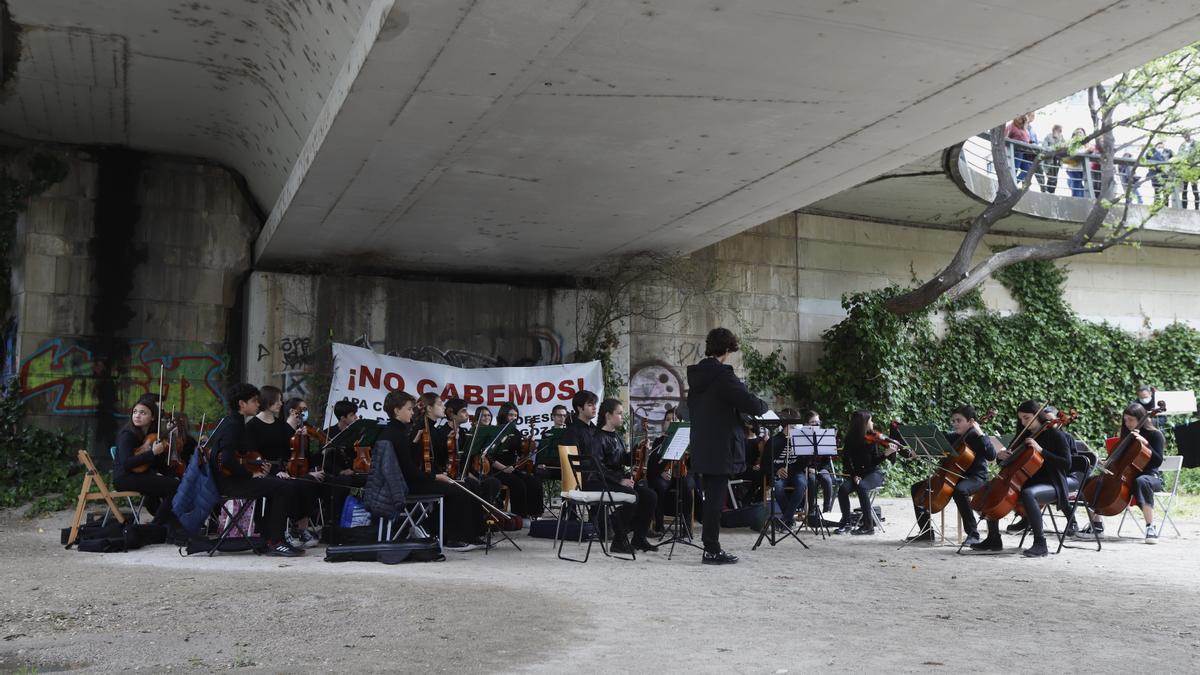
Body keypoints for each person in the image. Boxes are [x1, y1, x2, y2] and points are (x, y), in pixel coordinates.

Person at [686, 327, 768, 565]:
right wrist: (763, 407)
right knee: (715, 500)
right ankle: (711, 550)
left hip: (702, 444)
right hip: (721, 447)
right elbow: (750, 402)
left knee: (711, 498)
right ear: (726, 350)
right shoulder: (722, 375)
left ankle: (710, 547)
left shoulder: (698, 376)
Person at [377, 390, 486, 551]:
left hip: (413, 479)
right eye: (409, 409)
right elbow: (408, 469)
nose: (412, 412)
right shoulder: (400, 433)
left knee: (469, 485)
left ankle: (471, 534)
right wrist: (435, 477)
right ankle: (451, 538)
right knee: (458, 490)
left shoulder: (405, 431)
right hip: (404, 485)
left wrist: (415, 445)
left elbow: (412, 461)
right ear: (396, 411)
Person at [207, 383, 305, 557]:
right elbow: (227, 460)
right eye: (253, 401)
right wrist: (251, 473)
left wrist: (256, 465)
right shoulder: (234, 426)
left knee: (279, 485)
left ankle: (268, 537)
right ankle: (275, 540)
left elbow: (239, 456)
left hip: (232, 480)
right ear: (241, 404)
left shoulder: (233, 421)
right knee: (284, 487)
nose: (258, 404)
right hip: (230, 484)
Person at [971, 400, 1072, 557]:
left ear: (1038, 415)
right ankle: (993, 539)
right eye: (1021, 419)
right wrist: (1000, 456)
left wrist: (1041, 450)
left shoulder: (1055, 434)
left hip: (1051, 481)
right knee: (993, 489)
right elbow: (1007, 460)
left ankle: (1040, 543)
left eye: (1026, 418)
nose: (1023, 422)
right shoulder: (1024, 434)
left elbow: (1066, 464)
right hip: (1027, 479)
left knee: (1028, 493)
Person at [906, 405, 997, 545]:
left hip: (976, 477)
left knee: (960, 490)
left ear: (971, 421)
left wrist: (981, 433)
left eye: (958, 420)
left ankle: (973, 534)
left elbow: (991, 455)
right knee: (916, 488)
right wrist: (919, 450)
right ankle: (926, 532)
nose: (955, 423)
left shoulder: (978, 437)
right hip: (953, 475)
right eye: (953, 421)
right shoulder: (954, 437)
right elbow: (935, 445)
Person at [245, 385, 322, 548]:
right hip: (262, 471)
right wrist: (275, 471)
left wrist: (300, 439)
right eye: (278, 400)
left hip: (281, 470)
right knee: (289, 485)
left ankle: (297, 528)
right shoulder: (252, 426)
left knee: (306, 481)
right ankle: (278, 533)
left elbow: (289, 453)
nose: (281, 403)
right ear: (268, 402)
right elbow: (253, 455)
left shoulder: (280, 425)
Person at [1076, 403, 1165, 542]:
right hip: (1126, 476)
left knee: (1141, 481)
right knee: (1089, 482)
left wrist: (1146, 444)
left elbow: (1158, 461)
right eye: (1125, 420)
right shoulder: (1127, 436)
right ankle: (1096, 525)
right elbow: (1121, 462)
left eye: (1131, 420)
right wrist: (1107, 463)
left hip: (1150, 476)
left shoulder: (1155, 435)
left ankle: (1150, 527)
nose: (1127, 423)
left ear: (1141, 418)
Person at [588, 398, 658, 553]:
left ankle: (639, 539)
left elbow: (623, 459)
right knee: (632, 496)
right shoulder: (597, 438)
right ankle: (618, 541)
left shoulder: (616, 436)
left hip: (614, 479)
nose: (622, 416)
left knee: (650, 496)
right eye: (619, 413)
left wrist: (638, 449)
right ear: (608, 415)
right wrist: (620, 480)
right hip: (599, 481)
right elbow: (597, 468)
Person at [112, 399, 181, 531]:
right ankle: (156, 527)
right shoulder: (127, 435)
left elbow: (157, 462)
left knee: (172, 483)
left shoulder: (150, 435)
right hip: (124, 478)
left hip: (141, 475)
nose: (137, 415)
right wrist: (152, 453)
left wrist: (171, 437)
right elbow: (127, 464)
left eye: (143, 413)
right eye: (135, 412)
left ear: (153, 417)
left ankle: (167, 523)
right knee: (174, 487)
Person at [835, 411, 900, 535]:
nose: (872, 423)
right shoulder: (850, 439)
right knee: (843, 489)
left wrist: (886, 454)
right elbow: (846, 461)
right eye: (870, 420)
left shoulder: (872, 439)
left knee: (862, 487)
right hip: (858, 474)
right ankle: (846, 522)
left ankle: (868, 526)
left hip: (873, 473)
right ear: (863, 423)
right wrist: (854, 475)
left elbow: (873, 462)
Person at [490, 403, 546, 518]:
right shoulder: (495, 431)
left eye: (515, 415)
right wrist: (504, 469)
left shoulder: (516, 432)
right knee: (518, 483)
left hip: (511, 468)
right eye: (510, 415)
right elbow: (490, 457)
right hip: (496, 469)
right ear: (503, 415)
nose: (513, 418)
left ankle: (535, 513)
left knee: (533, 481)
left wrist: (530, 445)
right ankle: (519, 516)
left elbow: (521, 454)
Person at [763, 408, 806, 529]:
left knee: (802, 484)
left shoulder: (801, 441)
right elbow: (765, 464)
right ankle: (789, 519)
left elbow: (803, 463)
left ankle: (786, 518)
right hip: (779, 473)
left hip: (796, 472)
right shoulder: (773, 441)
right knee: (777, 487)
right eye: (795, 424)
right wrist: (777, 470)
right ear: (788, 424)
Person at [799, 410, 835, 525]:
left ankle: (826, 513)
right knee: (812, 479)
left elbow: (827, 459)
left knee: (827, 479)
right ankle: (812, 512)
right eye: (812, 422)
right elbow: (799, 459)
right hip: (807, 469)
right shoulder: (801, 436)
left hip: (821, 467)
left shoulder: (824, 435)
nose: (815, 425)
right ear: (806, 424)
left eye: (817, 422)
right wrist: (808, 468)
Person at [1005, 114, 1032, 183]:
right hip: (1015, 151)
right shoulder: (1011, 126)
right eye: (1021, 119)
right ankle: (1012, 184)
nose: (1022, 121)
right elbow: (1006, 138)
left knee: (1028, 170)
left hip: (1022, 152)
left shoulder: (1024, 128)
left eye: (1023, 120)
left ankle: (1015, 182)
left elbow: (1027, 139)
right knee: (1014, 170)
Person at [1039, 124, 1065, 194]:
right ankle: (1048, 192)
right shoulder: (1048, 136)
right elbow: (1044, 148)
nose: (1059, 132)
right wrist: (1055, 147)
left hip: (1057, 161)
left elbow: (1065, 147)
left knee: (1055, 178)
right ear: (1054, 130)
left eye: (1060, 131)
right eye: (1058, 130)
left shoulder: (1061, 137)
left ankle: (1051, 193)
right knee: (1051, 178)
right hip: (1048, 161)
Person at [1062, 128, 1088, 197]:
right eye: (1078, 132)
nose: (1079, 134)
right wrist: (1086, 151)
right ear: (1074, 135)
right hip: (1072, 168)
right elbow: (1074, 153)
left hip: (1082, 169)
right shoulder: (1072, 143)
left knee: (1079, 185)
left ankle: (1070, 182)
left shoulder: (1086, 144)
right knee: (1077, 183)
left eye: (1081, 132)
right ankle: (1075, 199)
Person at [1179, 132, 1197, 209]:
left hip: (1193, 168)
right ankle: (1184, 207)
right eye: (1184, 136)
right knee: (1184, 189)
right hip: (1184, 169)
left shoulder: (1196, 144)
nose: (1185, 137)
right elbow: (1179, 155)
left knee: (1194, 188)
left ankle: (1197, 206)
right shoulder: (1182, 145)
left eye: (1186, 135)